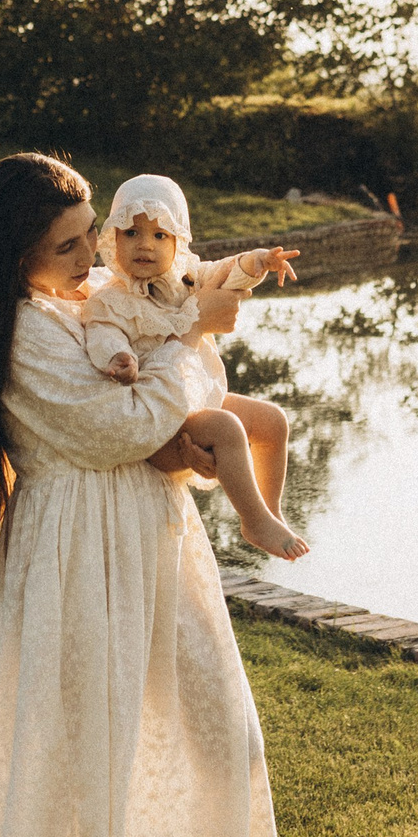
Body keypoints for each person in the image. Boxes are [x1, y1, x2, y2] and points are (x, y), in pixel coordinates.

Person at [0, 151, 323, 837]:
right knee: (73, 755)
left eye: (92, 238)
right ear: (17, 255)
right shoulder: (23, 331)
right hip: (75, 554)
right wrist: (190, 336)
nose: (94, 260)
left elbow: (167, 425)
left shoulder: (83, 305)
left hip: (154, 535)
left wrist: (187, 414)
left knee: (219, 718)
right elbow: (119, 425)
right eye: (70, 247)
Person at [82, 172, 308, 561]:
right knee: (226, 427)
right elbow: (101, 332)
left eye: (159, 235)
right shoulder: (110, 299)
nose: (145, 245)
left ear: (178, 241)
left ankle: (270, 512)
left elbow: (227, 271)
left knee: (273, 422)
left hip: (197, 397)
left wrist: (259, 260)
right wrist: (118, 356)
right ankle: (253, 520)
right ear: (113, 238)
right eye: (131, 233)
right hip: (159, 417)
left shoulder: (187, 277)